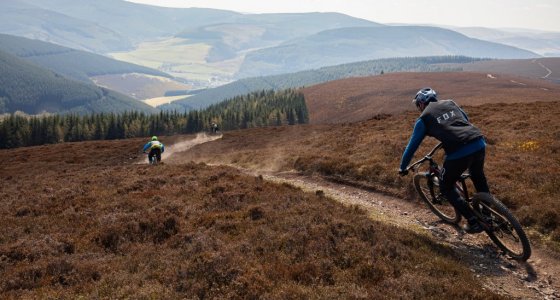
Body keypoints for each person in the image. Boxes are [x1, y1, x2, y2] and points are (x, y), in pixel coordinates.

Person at [398, 87, 490, 234]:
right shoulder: (451, 103)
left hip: (459, 152)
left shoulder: (423, 119)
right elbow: (464, 120)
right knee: (478, 176)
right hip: (478, 142)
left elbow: (412, 146)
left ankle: (473, 221)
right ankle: (488, 214)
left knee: (446, 186)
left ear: (421, 104)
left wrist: (403, 167)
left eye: (418, 105)